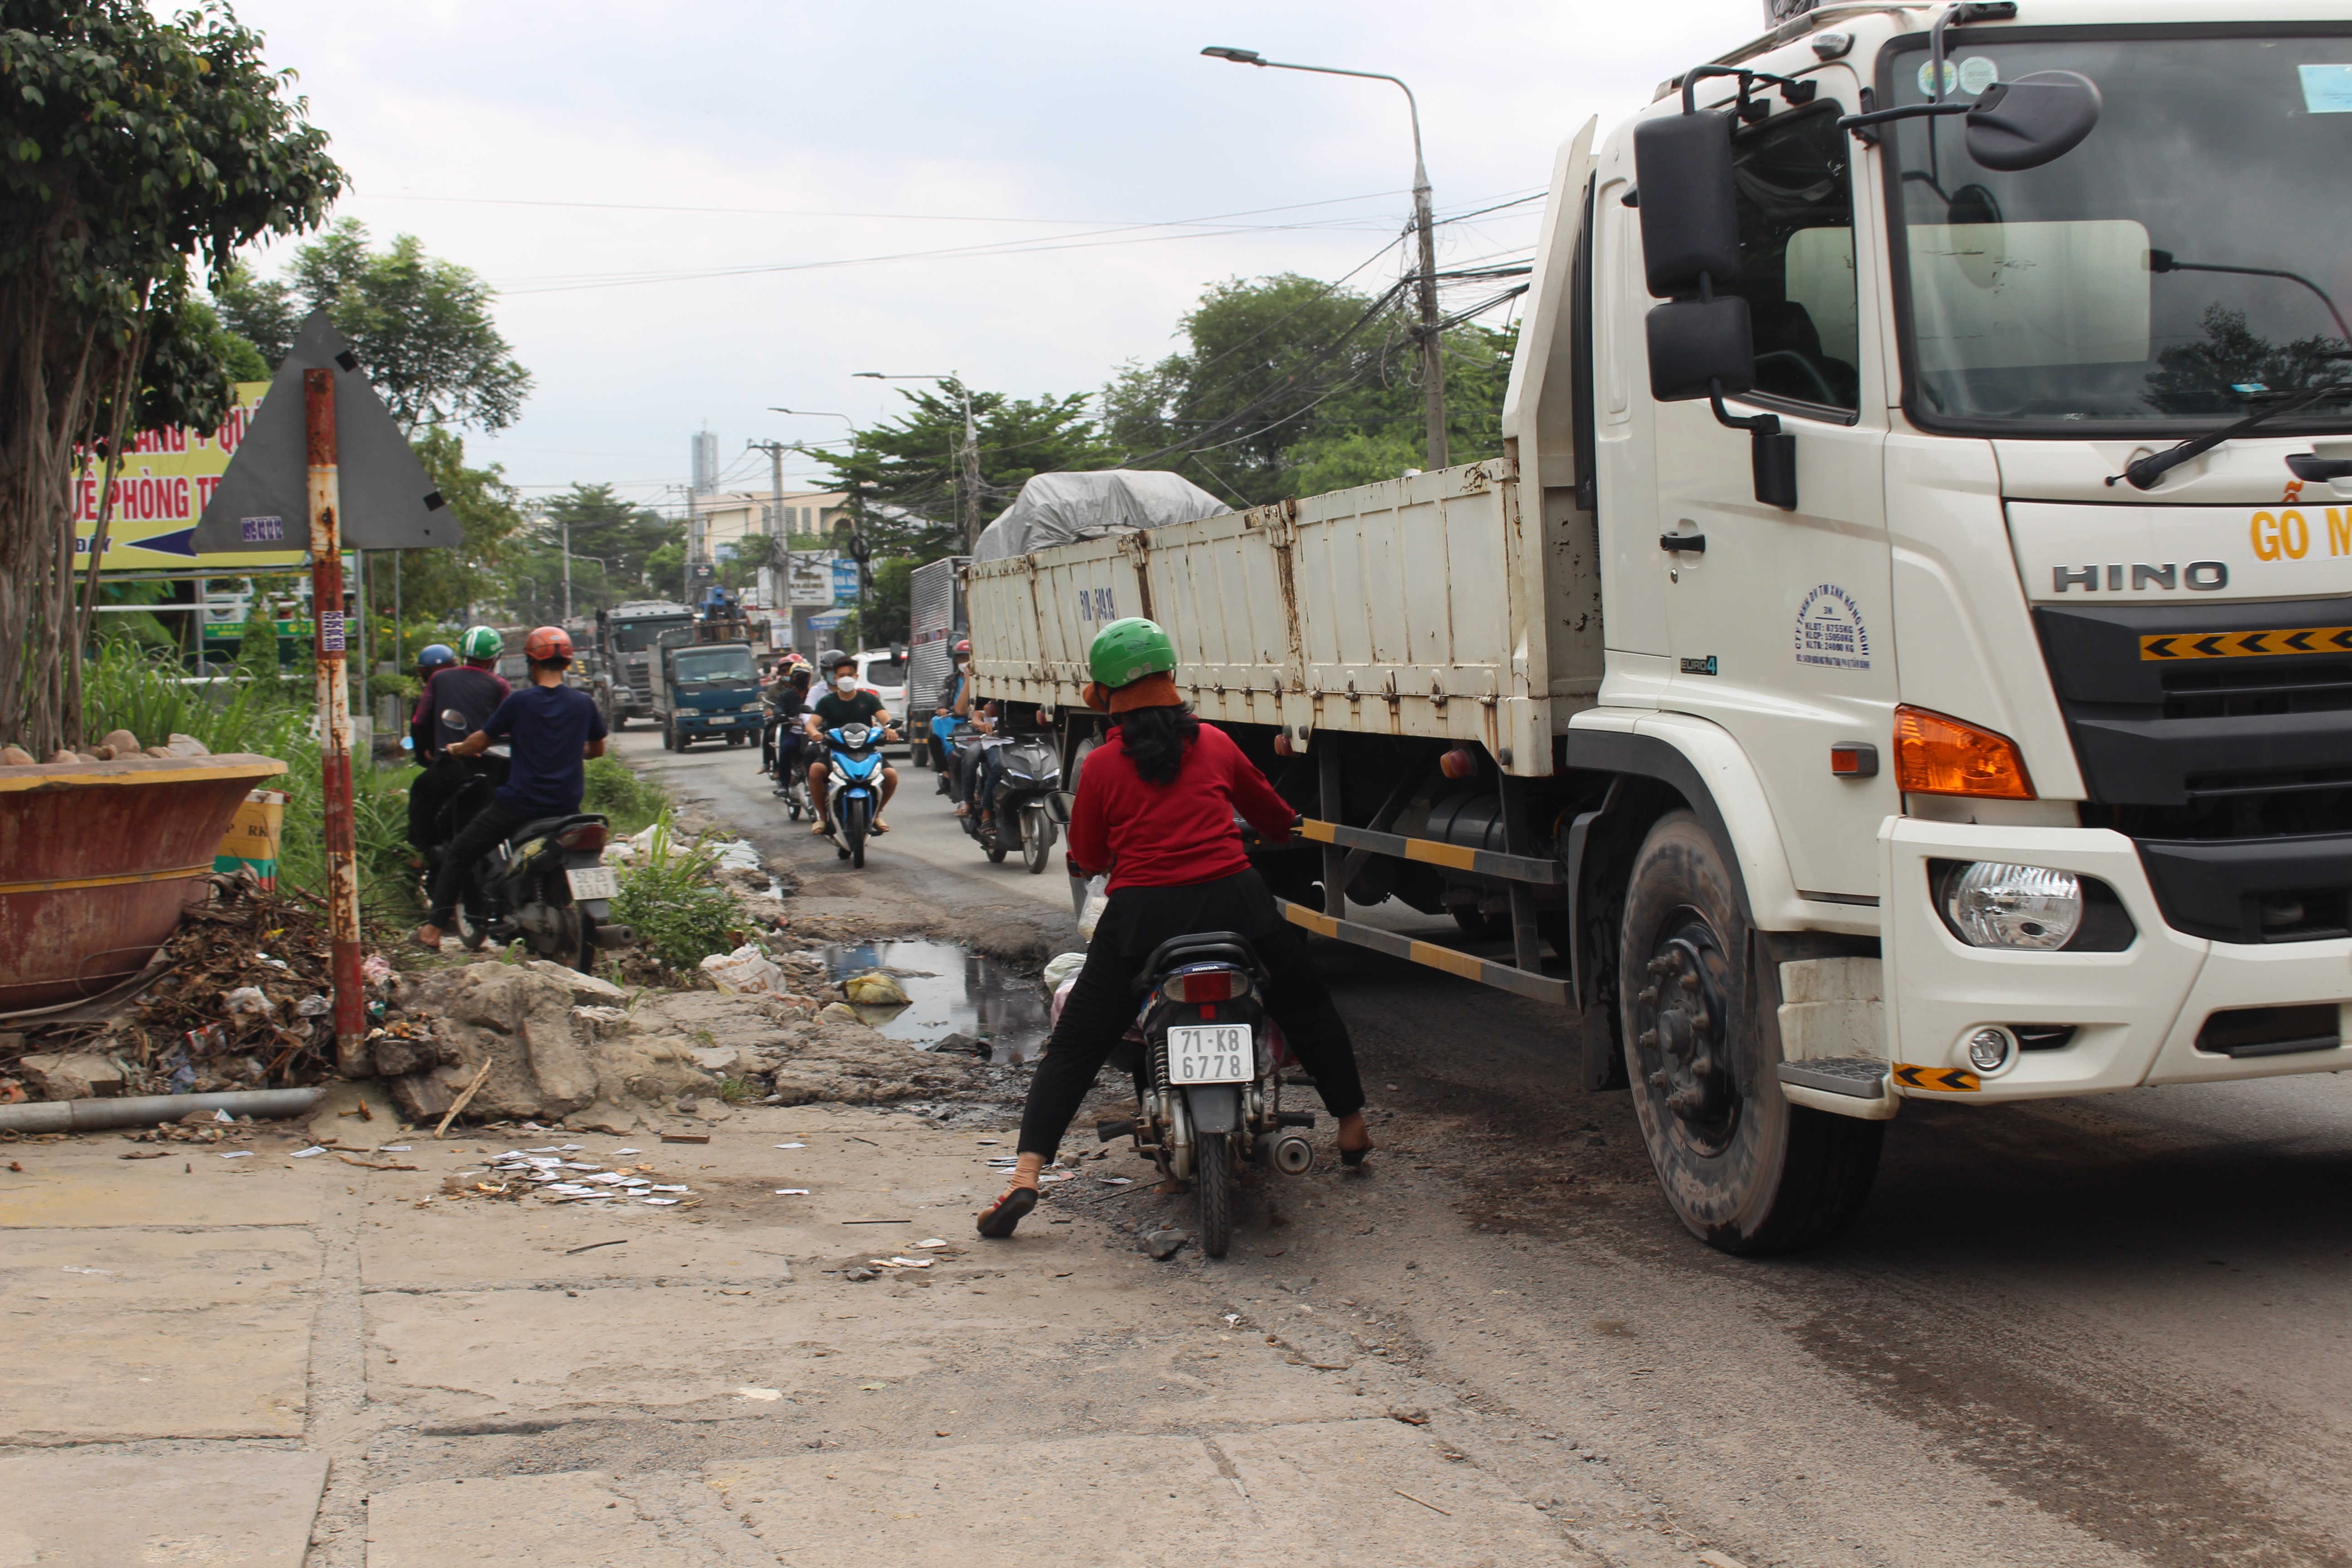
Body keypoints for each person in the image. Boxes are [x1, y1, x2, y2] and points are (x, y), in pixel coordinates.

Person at [976, 617, 1373, 1238]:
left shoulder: (1103, 767)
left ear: (1104, 695)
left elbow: (1089, 855)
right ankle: (1352, 1127)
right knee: (1305, 1001)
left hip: (1141, 919)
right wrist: (1280, 826)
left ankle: (1027, 1173)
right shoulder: (1215, 743)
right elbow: (1272, 818)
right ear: (1171, 680)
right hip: (1235, 903)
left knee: (1078, 1041)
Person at [414, 627, 608, 950]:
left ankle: (433, 931)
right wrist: (573, 749)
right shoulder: (583, 703)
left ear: (532, 663)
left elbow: (482, 740)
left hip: (520, 806)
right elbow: (597, 750)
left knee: (459, 853)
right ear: (568, 664)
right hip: (568, 810)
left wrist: (457, 749)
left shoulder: (520, 702)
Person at [402, 629, 510, 856]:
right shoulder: (499, 685)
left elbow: (420, 721)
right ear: (494, 658)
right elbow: (508, 729)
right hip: (493, 769)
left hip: (452, 767)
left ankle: (423, 852)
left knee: (421, 793)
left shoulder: (440, 679)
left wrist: (432, 751)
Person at [803, 649, 898, 834]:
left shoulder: (868, 699)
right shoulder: (827, 701)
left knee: (891, 776)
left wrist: (890, 729)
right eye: (841, 676)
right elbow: (812, 724)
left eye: (849, 675)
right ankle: (822, 817)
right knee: (815, 771)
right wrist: (815, 733)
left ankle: (877, 813)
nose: (846, 679)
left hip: (867, 751)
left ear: (856, 676)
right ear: (835, 678)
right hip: (836, 751)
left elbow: (885, 718)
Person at [762, 658, 814, 796]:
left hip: (814, 733)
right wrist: (781, 715)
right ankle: (784, 785)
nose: (802, 680)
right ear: (793, 678)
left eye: (805, 677)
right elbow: (779, 708)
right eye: (798, 677)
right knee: (786, 748)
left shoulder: (814, 694)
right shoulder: (786, 696)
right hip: (794, 732)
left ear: (809, 678)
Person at [929, 639, 972, 780]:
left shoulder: (980, 679)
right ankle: (945, 771)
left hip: (973, 719)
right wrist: (942, 709)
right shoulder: (951, 680)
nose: (965, 661)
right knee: (936, 739)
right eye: (962, 658)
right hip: (953, 718)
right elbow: (943, 697)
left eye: (968, 658)